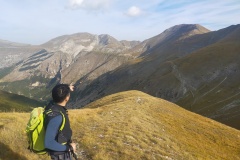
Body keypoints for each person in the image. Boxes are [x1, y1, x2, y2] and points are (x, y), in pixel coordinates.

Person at [44, 83, 77, 160]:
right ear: (67, 98)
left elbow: (57, 94)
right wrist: (69, 148)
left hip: (61, 151)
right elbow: (49, 143)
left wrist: (67, 88)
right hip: (60, 154)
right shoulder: (57, 116)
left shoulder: (51, 105)